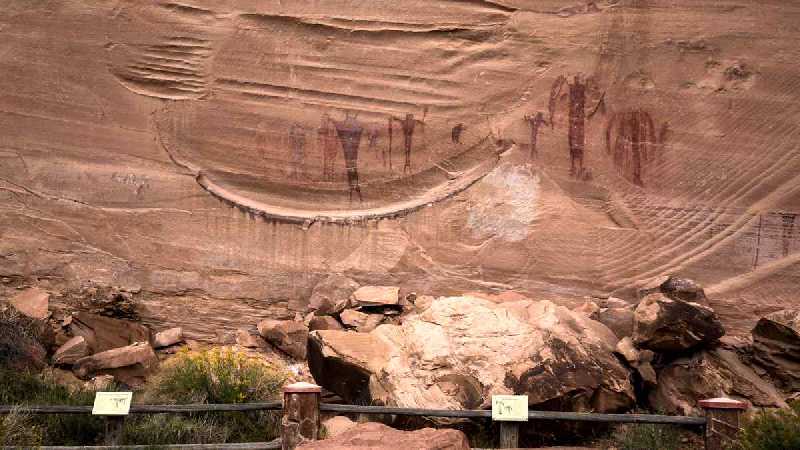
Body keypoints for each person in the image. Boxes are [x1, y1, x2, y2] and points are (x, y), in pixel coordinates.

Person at [332, 112, 364, 202]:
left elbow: (339, 127)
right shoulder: (350, 127)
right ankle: (354, 189)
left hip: (350, 153)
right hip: (350, 153)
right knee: (352, 168)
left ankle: (354, 189)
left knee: (352, 167)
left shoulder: (348, 127)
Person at [317, 114, 338, 181]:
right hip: (329, 144)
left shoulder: (331, 125)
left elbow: (335, 135)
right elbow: (320, 131)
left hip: (332, 144)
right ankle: (327, 176)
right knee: (327, 161)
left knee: (330, 161)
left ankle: (330, 175)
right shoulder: (325, 126)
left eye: (325, 118)